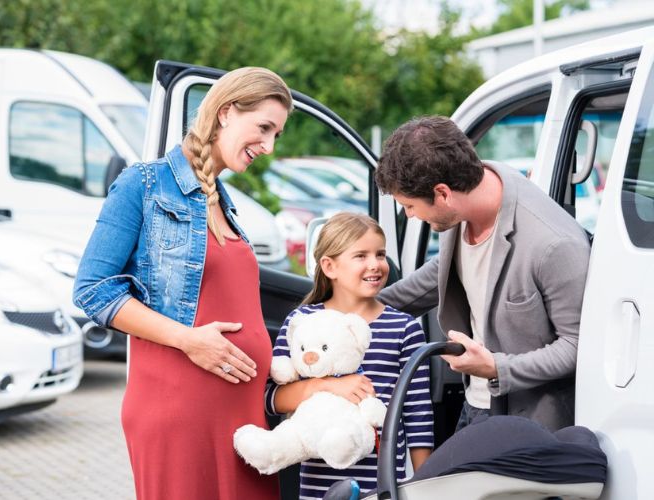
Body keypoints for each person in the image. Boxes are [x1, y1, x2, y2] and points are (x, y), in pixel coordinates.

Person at [72, 67, 292, 500]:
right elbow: (92, 289)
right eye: (263, 128)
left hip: (242, 417)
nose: (268, 146)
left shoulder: (223, 201)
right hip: (180, 410)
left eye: (276, 136)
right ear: (227, 112)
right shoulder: (144, 184)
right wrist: (190, 340)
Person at [375, 115, 590, 432]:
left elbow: (577, 346)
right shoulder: (462, 204)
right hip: (474, 404)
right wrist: (362, 308)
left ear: (443, 194)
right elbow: (450, 267)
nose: (410, 215)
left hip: (528, 424)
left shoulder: (553, 244)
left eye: (409, 206)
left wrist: (496, 367)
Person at [265, 212, 434, 499]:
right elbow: (272, 401)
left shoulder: (404, 328)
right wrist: (328, 385)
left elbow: (418, 416)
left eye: (380, 254)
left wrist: (426, 486)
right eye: (361, 256)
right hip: (319, 484)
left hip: (384, 483)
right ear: (329, 266)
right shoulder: (301, 323)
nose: (376, 265)